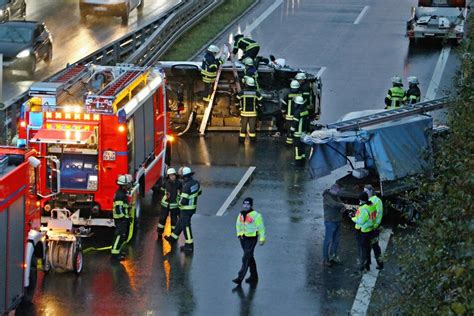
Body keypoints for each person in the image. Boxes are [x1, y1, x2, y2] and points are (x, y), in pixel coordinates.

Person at [165, 167, 202, 253]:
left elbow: (183, 201)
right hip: (192, 208)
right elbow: (199, 192)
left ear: (184, 176)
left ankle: (189, 245)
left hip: (186, 209)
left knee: (186, 227)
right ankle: (173, 238)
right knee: (180, 223)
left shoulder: (186, 186)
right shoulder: (195, 183)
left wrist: (178, 201)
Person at [233, 197, 266, 285]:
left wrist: (262, 239)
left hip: (251, 239)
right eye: (244, 204)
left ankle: (240, 278)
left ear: (251, 205)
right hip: (243, 238)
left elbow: (261, 228)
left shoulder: (256, 215)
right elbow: (238, 225)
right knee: (250, 257)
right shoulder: (241, 214)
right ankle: (254, 276)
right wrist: (239, 235)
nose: (246, 206)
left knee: (245, 258)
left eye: (248, 204)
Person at [322, 184, 345, 267]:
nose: (338, 193)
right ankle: (325, 259)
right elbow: (334, 204)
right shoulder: (327, 196)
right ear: (333, 190)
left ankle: (333, 256)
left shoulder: (336, 196)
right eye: (337, 191)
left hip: (337, 220)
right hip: (330, 221)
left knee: (336, 240)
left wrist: (342, 207)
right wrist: (342, 205)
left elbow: (339, 204)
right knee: (327, 241)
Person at [351, 192, 374, 272]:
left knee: (361, 249)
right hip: (369, 229)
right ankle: (367, 265)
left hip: (362, 230)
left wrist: (352, 217)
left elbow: (360, 221)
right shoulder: (371, 205)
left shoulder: (363, 208)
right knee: (367, 248)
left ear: (361, 200)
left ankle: (362, 266)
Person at [157, 168, 183, 239]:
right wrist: (164, 197)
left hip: (174, 205)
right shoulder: (165, 183)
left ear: (175, 175)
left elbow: (182, 193)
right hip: (165, 204)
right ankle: (159, 232)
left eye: (173, 175)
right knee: (162, 219)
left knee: (174, 220)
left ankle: (173, 235)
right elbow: (162, 191)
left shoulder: (179, 183)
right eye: (170, 175)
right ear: (168, 176)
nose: (172, 177)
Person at [111, 174, 132, 262]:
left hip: (122, 219)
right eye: (127, 184)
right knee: (119, 236)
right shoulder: (120, 195)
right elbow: (118, 209)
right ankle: (115, 255)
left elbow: (124, 207)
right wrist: (124, 218)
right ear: (123, 185)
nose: (128, 186)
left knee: (122, 236)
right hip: (120, 219)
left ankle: (118, 251)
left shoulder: (122, 193)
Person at [236, 77, 263, 142]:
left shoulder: (242, 92)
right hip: (253, 114)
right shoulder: (256, 93)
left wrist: (239, 108)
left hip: (244, 113)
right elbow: (261, 102)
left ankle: (241, 141)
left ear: (246, 84)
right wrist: (258, 108)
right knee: (252, 128)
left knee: (243, 128)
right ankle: (252, 140)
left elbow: (236, 100)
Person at [364, 185, 384, 270]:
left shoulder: (377, 201)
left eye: (366, 191)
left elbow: (379, 214)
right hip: (367, 228)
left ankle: (380, 263)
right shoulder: (366, 200)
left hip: (373, 228)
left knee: (375, 246)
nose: (365, 193)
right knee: (367, 247)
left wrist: (375, 225)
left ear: (371, 191)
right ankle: (367, 264)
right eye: (364, 191)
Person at [290, 96, 309, 166]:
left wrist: (291, 132)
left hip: (297, 133)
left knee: (297, 147)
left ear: (297, 104)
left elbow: (295, 123)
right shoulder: (305, 111)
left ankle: (297, 162)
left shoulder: (297, 112)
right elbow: (307, 122)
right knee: (303, 147)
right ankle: (303, 161)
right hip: (304, 133)